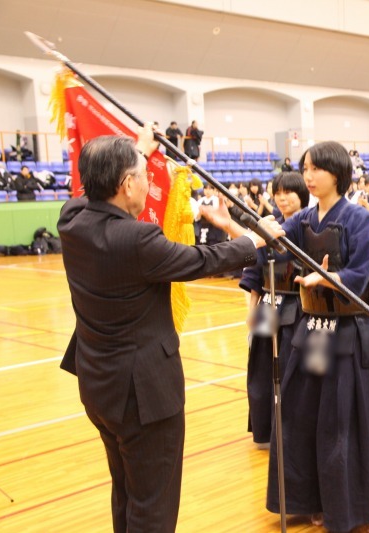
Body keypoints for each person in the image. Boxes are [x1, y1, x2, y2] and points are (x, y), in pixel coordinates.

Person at [57, 125, 278, 533]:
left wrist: (139, 151)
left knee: (127, 491)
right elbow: (200, 260)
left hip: (99, 386)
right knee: (152, 506)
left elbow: (95, 194)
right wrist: (251, 240)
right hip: (143, 396)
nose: (148, 182)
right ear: (127, 184)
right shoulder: (136, 239)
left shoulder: (72, 220)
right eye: (143, 175)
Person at [265, 141, 369, 533]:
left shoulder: (359, 218)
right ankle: (315, 500)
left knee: (347, 423)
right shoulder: (303, 218)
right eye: (304, 168)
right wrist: (236, 227)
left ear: (336, 173)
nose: (307, 176)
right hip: (313, 330)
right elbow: (276, 247)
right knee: (304, 416)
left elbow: (363, 270)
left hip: (351, 333)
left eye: (315, 168)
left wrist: (331, 278)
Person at [240, 172, 309, 447]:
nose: (282, 198)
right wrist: (252, 309)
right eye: (277, 192)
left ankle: (291, 433)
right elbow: (254, 273)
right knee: (262, 370)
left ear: (301, 195)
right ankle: (265, 430)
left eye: (288, 192)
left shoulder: (310, 226)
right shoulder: (268, 226)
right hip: (269, 305)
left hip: (297, 307)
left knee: (292, 372)